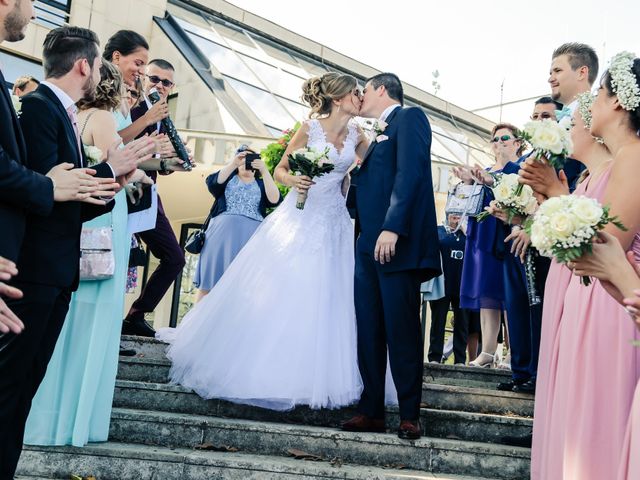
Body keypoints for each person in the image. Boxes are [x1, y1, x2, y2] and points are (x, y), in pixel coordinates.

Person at [157, 72, 365, 413]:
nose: (360, 97)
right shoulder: (308, 128)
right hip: (301, 214)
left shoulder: (359, 134)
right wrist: (295, 179)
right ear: (339, 98)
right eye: (355, 92)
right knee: (290, 286)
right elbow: (281, 169)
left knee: (328, 293)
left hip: (335, 222)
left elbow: (373, 167)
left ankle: (317, 371)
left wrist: (351, 182)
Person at [0, 26, 146, 478]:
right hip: (34, 273)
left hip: (55, 271)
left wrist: (109, 185)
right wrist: (107, 168)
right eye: (100, 62)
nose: (100, 70)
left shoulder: (60, 111)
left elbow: (62, 201)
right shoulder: (41, 109)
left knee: (22, 391)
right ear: (86, 64)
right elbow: (41, 195)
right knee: (9, 391)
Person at [22, 61, 153, 448]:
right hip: (100, 213)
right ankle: (78, 421)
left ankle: (46, 419)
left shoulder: (74, 114)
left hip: (82, 213)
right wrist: (140, 168)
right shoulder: (100, 117)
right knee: (95, 321)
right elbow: (116, 165)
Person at [531, 53, 640, 479]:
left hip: (613, 308)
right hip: (601, 297)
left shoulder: (632, 156)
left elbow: (609, 245)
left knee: (596, 422)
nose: (588, 107)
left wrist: (557, 203)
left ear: (617, 103)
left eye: (598, 97)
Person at [341, 72, 440, 441]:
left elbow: (411, 175)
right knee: (368, 326)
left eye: (364, 90)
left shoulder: (410, 119)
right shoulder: (373, 138)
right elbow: (367, 188)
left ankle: (410, 414)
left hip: (393, 243)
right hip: (366, 244)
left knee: (401, 328)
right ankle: (371, 410)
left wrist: (393, 227)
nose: (360, 96)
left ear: (382, 89)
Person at [123, 59, 188, 335]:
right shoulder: (132, 110)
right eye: (154, 79)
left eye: (166, 82)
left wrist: (174, 162)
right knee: (123, 260)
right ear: (143, 79)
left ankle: (136, 315)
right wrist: (161, 162)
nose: (159, 86)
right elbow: (119, 150)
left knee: (174, 258)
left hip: (148, 197)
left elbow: (158, 161)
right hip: (124, 193)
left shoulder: (164, 118)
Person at [453, 124, 524, 369]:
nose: (499, 142)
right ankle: (488, 351)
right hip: (481, 236)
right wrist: (468, 180)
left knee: (509, 294)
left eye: (505, 138)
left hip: (506, 234)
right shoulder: (482, 170)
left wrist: (491, 180)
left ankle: (514, 351)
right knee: (487, 294)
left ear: (517, 142)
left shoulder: (520, 168)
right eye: (495, 139)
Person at [194, 148, 280, 302]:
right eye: (242, 157)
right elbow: (212, 183)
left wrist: (265, 171)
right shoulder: (227, 179)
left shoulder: (261, 184)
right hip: (220, 238)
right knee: (210, 283)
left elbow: (274, 200)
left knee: (247, 285)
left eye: (250, 158)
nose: (246, 161)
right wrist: (233, 163)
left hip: (250, 240)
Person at [427, 213, 478, 365]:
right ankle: (435, 357)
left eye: (459, 215)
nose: (456, 218)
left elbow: (477, 252)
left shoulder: (468, 234)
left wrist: (465, 231)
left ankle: (460, 359)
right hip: (442, 284)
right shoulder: (439, 231)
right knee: (438, 321)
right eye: (453, 215)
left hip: (462, 286)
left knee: (462, 324)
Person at [548, 42, 599, 191]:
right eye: (550, 73)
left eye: (557, 71)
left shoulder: (595, 116)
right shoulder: (557, 121)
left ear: (582, 73)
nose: (550, 79)